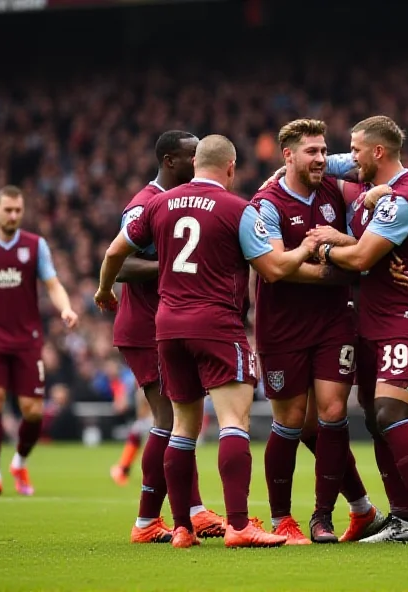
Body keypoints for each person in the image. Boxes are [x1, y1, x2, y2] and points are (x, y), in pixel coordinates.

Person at [94, 134, 314, 549]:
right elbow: (273, 268)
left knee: (181, 426)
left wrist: (104, 291)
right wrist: (307, 247)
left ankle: (181, 528)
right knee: (234, 421)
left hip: (167, 327)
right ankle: (238, 525)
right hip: (215, 324)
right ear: (230, 168)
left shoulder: (157, 204)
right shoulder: (238, 209)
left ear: (196, 165)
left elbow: (113, 254)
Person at [314, 115, 408, 543]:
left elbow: (359, 260)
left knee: (390, 412)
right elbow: (336, 166)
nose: (347, 159)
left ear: (378, 152)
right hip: (381, 317)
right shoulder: (388, 190)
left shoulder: (402, 199)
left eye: (354, 150)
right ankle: (403, 516)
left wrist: (326, 244)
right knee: (375, 417)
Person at [251, 119, 384, 544]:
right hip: (282, 326)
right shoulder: (266, 204)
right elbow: (275, 269)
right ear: (287, 155)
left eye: (325, 151)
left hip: (333, 322)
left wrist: (378, 197)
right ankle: (281, 519)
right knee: (291, 421)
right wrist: (336, 270)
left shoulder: (334, 185)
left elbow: (370, 162)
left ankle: (323, 517)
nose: (321, 159)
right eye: (311, 152)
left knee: (332, 412)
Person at [108, 130, 224, 543]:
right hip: (145, 326)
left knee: (183, 419)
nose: (200, 162)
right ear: (171, 160)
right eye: (193, 156)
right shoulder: (144, 204)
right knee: (169, 419)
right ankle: (145, 521)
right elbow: (120, 264)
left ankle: (192, 510)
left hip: (167, 323)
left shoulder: (180, 202)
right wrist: (170, 266)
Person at [0, 184, 79, 496]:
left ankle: (19, 462)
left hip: (26, 338)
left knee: (33, 410)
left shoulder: (35, 246)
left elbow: (52, 283)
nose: (13, 215)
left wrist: (67, 308)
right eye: (8, 210)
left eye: (18, 210)